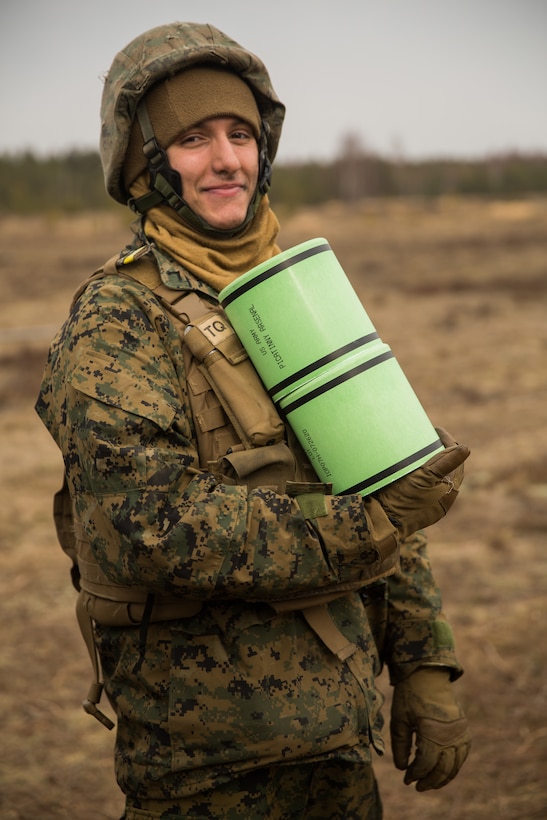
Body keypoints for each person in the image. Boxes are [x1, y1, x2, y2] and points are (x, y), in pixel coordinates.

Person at [36, 21, 471, 820]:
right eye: (192, 139)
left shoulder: (289, 293)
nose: (226, 159)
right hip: (208, 767)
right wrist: (360, 525)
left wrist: (423, 665)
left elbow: (378, 487)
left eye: (240, 133)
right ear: (144, 164)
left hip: (337, 739)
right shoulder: (116, 320)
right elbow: (151, 524)